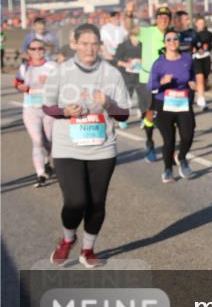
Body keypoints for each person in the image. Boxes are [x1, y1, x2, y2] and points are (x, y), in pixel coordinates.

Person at [43, 23, 130, 268]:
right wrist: (64, 111)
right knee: (75, 202)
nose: (89, 49)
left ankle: (88, 249)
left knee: (96, 203)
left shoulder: (111, 74)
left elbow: (124, 115)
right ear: (74, 44)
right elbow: (47, 106)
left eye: (94, 44)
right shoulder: (61, 72)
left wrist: (109, 103)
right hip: (67, 146)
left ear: (100, 46)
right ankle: (67, 239)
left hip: (102, 146)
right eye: (84, 43)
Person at [148, 27, 196, 182]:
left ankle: (181, 157)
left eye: (175, 39)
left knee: (188, 135)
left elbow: (194, 76)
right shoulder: (159, 63)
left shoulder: (187, 59)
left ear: (179, 41)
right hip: (164, 104)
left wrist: (194, 83)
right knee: (169, 140)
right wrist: (162, 82)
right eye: (168, 39)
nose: (172, 42)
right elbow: (151, 86)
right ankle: (167, 169)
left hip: (183, 103)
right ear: (164, 43)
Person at [15, 38, 57, 186]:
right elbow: (17, 83)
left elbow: (62, 85)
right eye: (33, 49)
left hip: (49, 109)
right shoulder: (24, 68)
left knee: (49, 141)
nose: (37, 51)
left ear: (44, 50)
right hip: (31, 109)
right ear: (28, 51)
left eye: (40, 48)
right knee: (37, 140)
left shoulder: (52, 66)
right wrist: (22, 87)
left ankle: (47, 161)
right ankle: (41, 174)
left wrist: (50, 81)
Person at [136, 6, 172, 163]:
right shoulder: (147, 32)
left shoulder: (173, 36)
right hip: (148, 79)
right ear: (156, 19)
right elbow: (130, 29)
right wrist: (130, 14)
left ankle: (169, 146)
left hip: (168, 81)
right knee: (150, 113)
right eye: (160, 17)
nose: (163, 20)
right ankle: (150, 142)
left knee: (169, 114)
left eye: (166, 17)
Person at [112, 25, 143, 125]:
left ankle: (144, 117)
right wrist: (125, 64)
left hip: (140, 75)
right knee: (125, 97)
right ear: (130, 36)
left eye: (139, 37)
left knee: (143, 97)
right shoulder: (123, 46)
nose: (137, 39)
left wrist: (143, 61)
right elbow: (115, 60)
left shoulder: (144, 45)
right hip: (126, 76)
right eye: (135, 36)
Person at [191, 15, 212, 110]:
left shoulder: (210, 32)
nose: (201, 25)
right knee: (200, 78)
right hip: (196, 58)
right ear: (196, 24)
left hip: (206, 57)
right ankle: (202, 102)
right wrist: (193, 49)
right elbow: (188, 45)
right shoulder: (192, 33)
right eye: (199, 23)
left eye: (203, 23)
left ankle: (197, 95)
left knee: (204, 81)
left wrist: (208, 46)